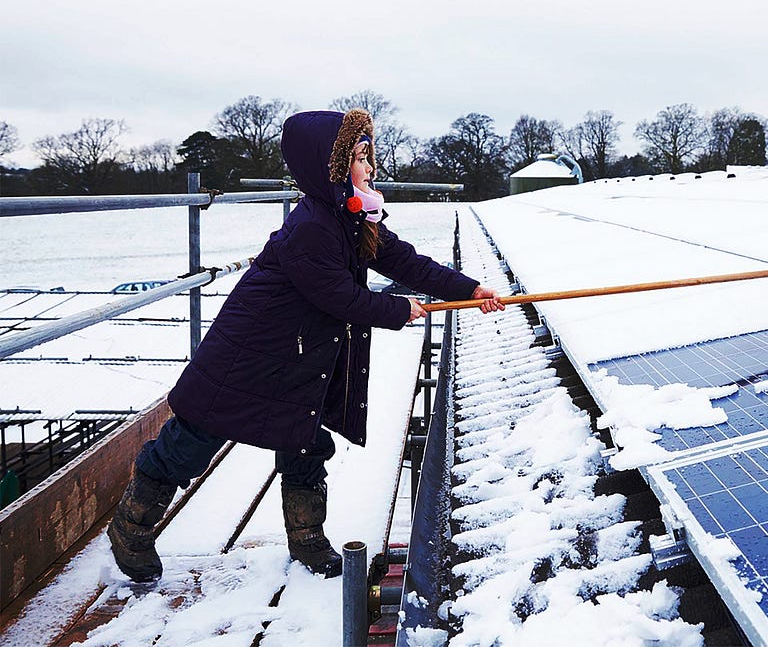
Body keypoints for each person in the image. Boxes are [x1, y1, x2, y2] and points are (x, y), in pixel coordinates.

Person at [107, 109, 503, 582]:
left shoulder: (352, 215)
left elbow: (403, 261)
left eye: (368, 155)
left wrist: (467, 289)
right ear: (331, 168)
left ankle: (307, 537)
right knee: (194, 439)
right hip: (249, 352)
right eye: (359, 157)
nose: (369, 167)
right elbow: (336, 295)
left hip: (297, 353)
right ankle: (131, 528)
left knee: (306, 437)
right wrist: (398, 311)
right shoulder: (313, 224)